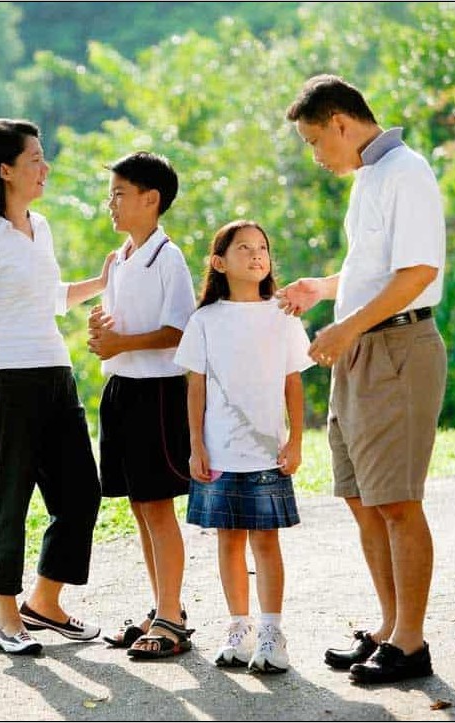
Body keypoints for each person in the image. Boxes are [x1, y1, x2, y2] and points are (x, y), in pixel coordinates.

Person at [277, 74, 447, 684]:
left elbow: (418, 271)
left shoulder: (407, 172)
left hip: (397, 348)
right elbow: (373, 267)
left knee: (398, 500)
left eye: (315, 141)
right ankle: (387, 626)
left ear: (342, 124)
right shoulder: (371, 177)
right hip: (361, 350)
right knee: (360, 495)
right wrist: (323, 290)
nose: (316, 156)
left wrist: (344, 327)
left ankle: (411, 642)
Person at [0, 118, 113, 655]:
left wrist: (103, 280)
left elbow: (51, 298)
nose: (45, 169)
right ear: (5, 170)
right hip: (6, 381)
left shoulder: (39, 228)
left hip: (54, 374)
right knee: (7, 501)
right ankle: (5, 617)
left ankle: (45, 603)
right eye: (35, 161)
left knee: (80, 495)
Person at [174, 220, 313, 674]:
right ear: (219, 262)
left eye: (262, 248)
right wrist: (196, 445)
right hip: (219, 452)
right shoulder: (205, 320)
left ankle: (272, 632)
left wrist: (296, 439)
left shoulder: (283, 315)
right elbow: (195, 388)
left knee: (266, 541)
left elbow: (293, 382)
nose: (256, 255)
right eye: (244, 248)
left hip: (267, 452)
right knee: (228, 541)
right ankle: (240, 627)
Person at [86, 151, 197, 660]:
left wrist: (121, 344)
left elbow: (179, 330)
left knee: (157, 506)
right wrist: (102, 334)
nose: (110, 203)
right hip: (122, 391)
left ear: (151, 200)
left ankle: (172, 619)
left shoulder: (166, 257)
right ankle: (161, 607)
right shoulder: (121, 259)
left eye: (119, 193)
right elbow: (116, 327)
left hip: (156, 393)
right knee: (138, 506)